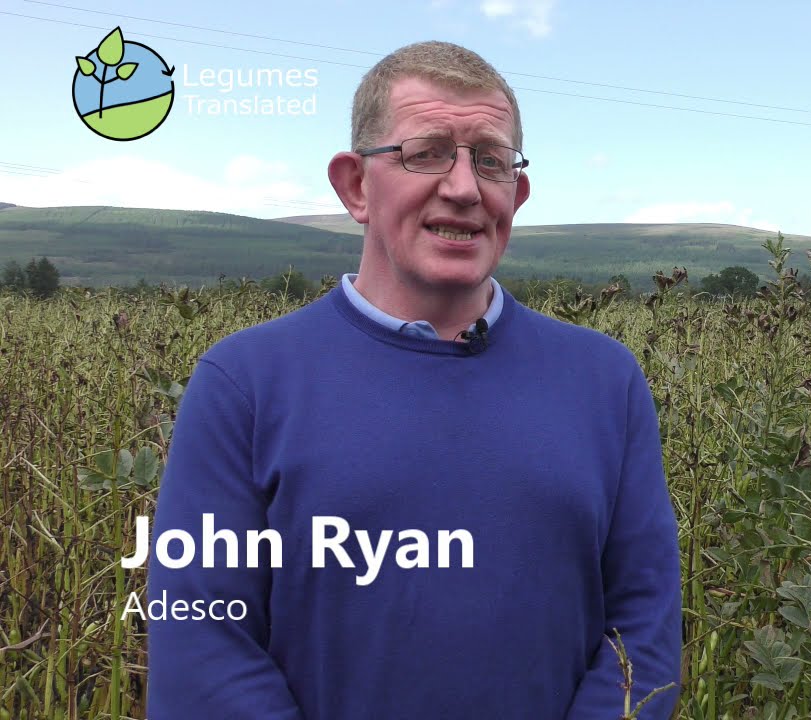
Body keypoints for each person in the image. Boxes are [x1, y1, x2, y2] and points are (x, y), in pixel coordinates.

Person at [145, 41, 683, 719]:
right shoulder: (244, 384)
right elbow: (205, 648)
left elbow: (645, 625)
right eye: (425, 152)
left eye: (489, 159)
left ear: (514, 194)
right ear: (355, 186)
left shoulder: (606, 381)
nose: (462, 188)